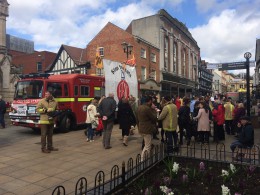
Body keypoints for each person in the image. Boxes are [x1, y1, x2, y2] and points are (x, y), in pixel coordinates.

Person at [136, 96, 157, 161]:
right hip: (147, 128)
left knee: (146, 143)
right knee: (147, 146)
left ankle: (144, 158)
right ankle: (142, 160)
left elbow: (136, 119)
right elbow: (154, 118)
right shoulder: (147, 108)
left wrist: (138, 127)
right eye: (151, 102)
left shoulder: (139, 107)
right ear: (150, 101)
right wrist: (154, 110)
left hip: (141, 127)